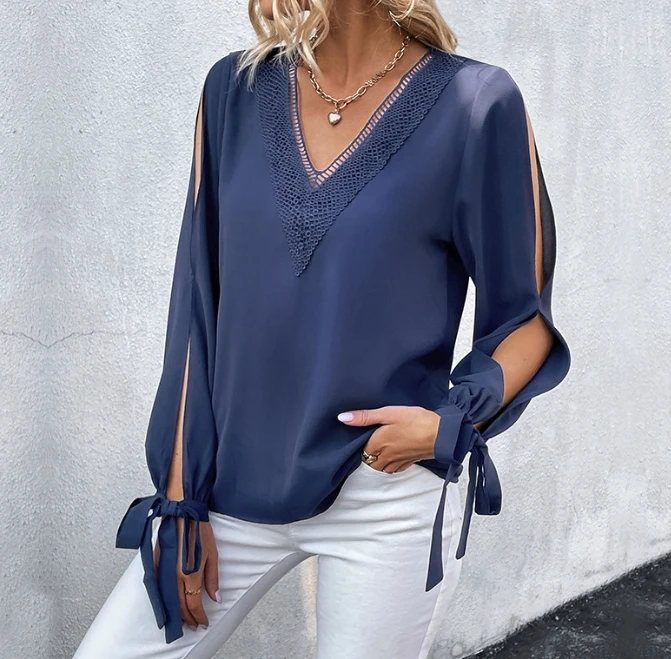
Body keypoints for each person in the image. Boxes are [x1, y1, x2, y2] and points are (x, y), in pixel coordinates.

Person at [72, 0, 571, 657]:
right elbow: (195, 304)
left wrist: (451, 421)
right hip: (229, 487)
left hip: (383, 489)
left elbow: (524, 320)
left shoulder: (475, 103)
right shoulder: (233, 92)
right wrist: (179, 494)